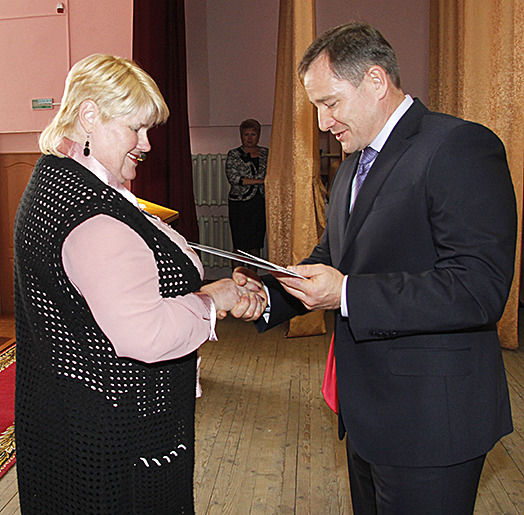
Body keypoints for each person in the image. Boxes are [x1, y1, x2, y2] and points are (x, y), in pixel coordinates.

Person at [235, 22, 517, 515]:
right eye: (316, 106)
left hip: (433, 422)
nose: (322, 122)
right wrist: (266, 298)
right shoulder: (353, 163)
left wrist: (346, 294)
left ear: (375, 81)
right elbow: (333, 258)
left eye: (330, 103)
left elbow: (478, 288)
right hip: (369, 415)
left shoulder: (459, 146)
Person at [13, 54, 267, 515]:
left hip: (67, 413)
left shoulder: (59, 176)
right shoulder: (91, 213)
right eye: (136, 128)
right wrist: (211, 300)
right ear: (90, 115)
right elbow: (145, 334)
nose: (146, 144)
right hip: (113, 433)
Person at [225, 118, 268, 259]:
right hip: (240, 205)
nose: (249, 138)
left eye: (253, 134)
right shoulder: (233, 154)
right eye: (246, 134)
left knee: (256, 244)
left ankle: (253, 273)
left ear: (258, 135)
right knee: (239, 245)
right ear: (241, 135)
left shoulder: (266, 153)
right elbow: (233, 178)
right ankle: (237, 273)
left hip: (259, 203)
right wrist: (260, 181)